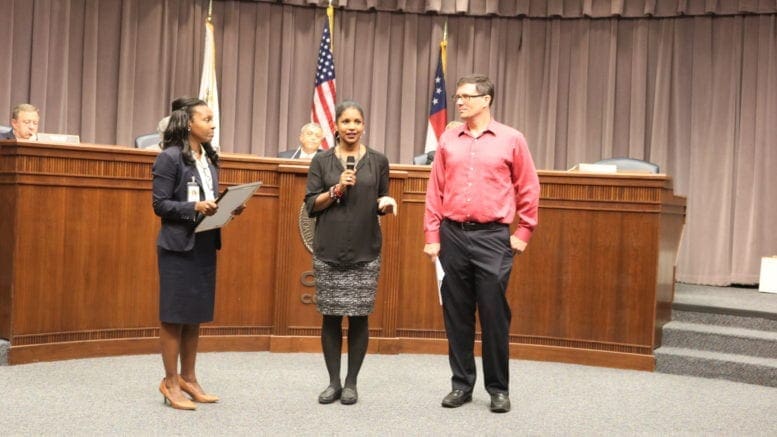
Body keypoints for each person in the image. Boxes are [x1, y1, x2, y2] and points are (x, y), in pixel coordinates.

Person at [423, 74, 540, 413]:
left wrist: (524, 231)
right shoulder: (448, 139)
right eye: (458, 96)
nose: (459, 102)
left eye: (466, 97)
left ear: (486, 99)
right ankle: (461, 385)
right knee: (457, 315)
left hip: (493, 238)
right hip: (452, 235)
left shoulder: (511, 139)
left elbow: (528, 187)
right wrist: (432, 235)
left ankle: (498, 389)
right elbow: (435, 192)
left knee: (493, 315)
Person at [151, 97, 243, 410]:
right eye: (206, 119)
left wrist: (227, 207)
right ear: (189, 123)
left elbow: (209, 200)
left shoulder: (209, 158)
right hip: (178, 246)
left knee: (194, 316)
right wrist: (195, 206)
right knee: (174, 316)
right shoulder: (170, 157)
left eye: (213, 119)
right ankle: (170, 381)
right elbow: (160, 205)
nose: (212, 124)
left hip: (204, 243)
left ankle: (189, 378)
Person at [304, 101, 396, 406]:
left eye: (357, 121)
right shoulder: (321, 161)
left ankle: (352, 383)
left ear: (364, 125)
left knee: (359, 317)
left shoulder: (379, 161)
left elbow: (382, 193)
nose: (352, 126)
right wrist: (335, 190)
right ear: (336, 126)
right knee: (331, 317)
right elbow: (311, 205)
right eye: (346, 121)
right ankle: (333, 383)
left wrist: (386, 202)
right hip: (329, 248)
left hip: (364, 249)